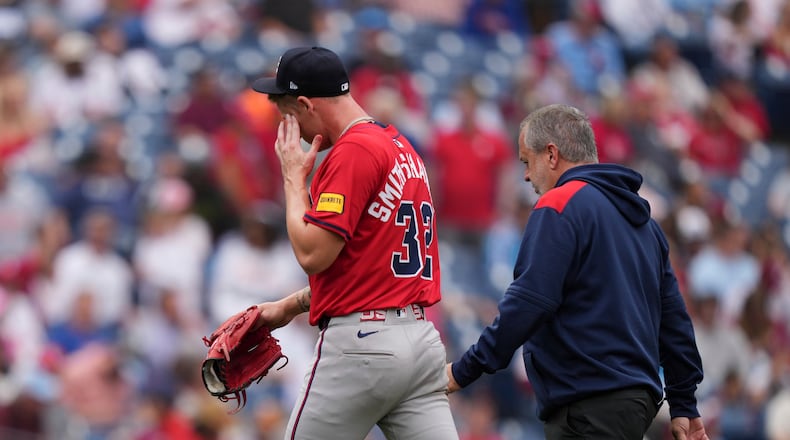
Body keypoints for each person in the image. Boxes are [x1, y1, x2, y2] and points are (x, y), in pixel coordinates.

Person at [445, 104, 710, 440]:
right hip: (633, 404)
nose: (526, 176)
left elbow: (529, 303)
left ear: (552, 156)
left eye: (527, 161)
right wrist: (685, 403)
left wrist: (463, 370)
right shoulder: (646, 226)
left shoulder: (560, 203)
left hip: (587, 405)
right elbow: (675, 321)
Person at [247, 46, 458, 440]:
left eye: (287, 114)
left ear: (307, 104)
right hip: (420, 342)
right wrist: (290, 306)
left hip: (364, 346)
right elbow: (366, 262)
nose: (288, 131)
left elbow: (313, 254)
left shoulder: (354, 150)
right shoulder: (401, 147)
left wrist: (294, 180)